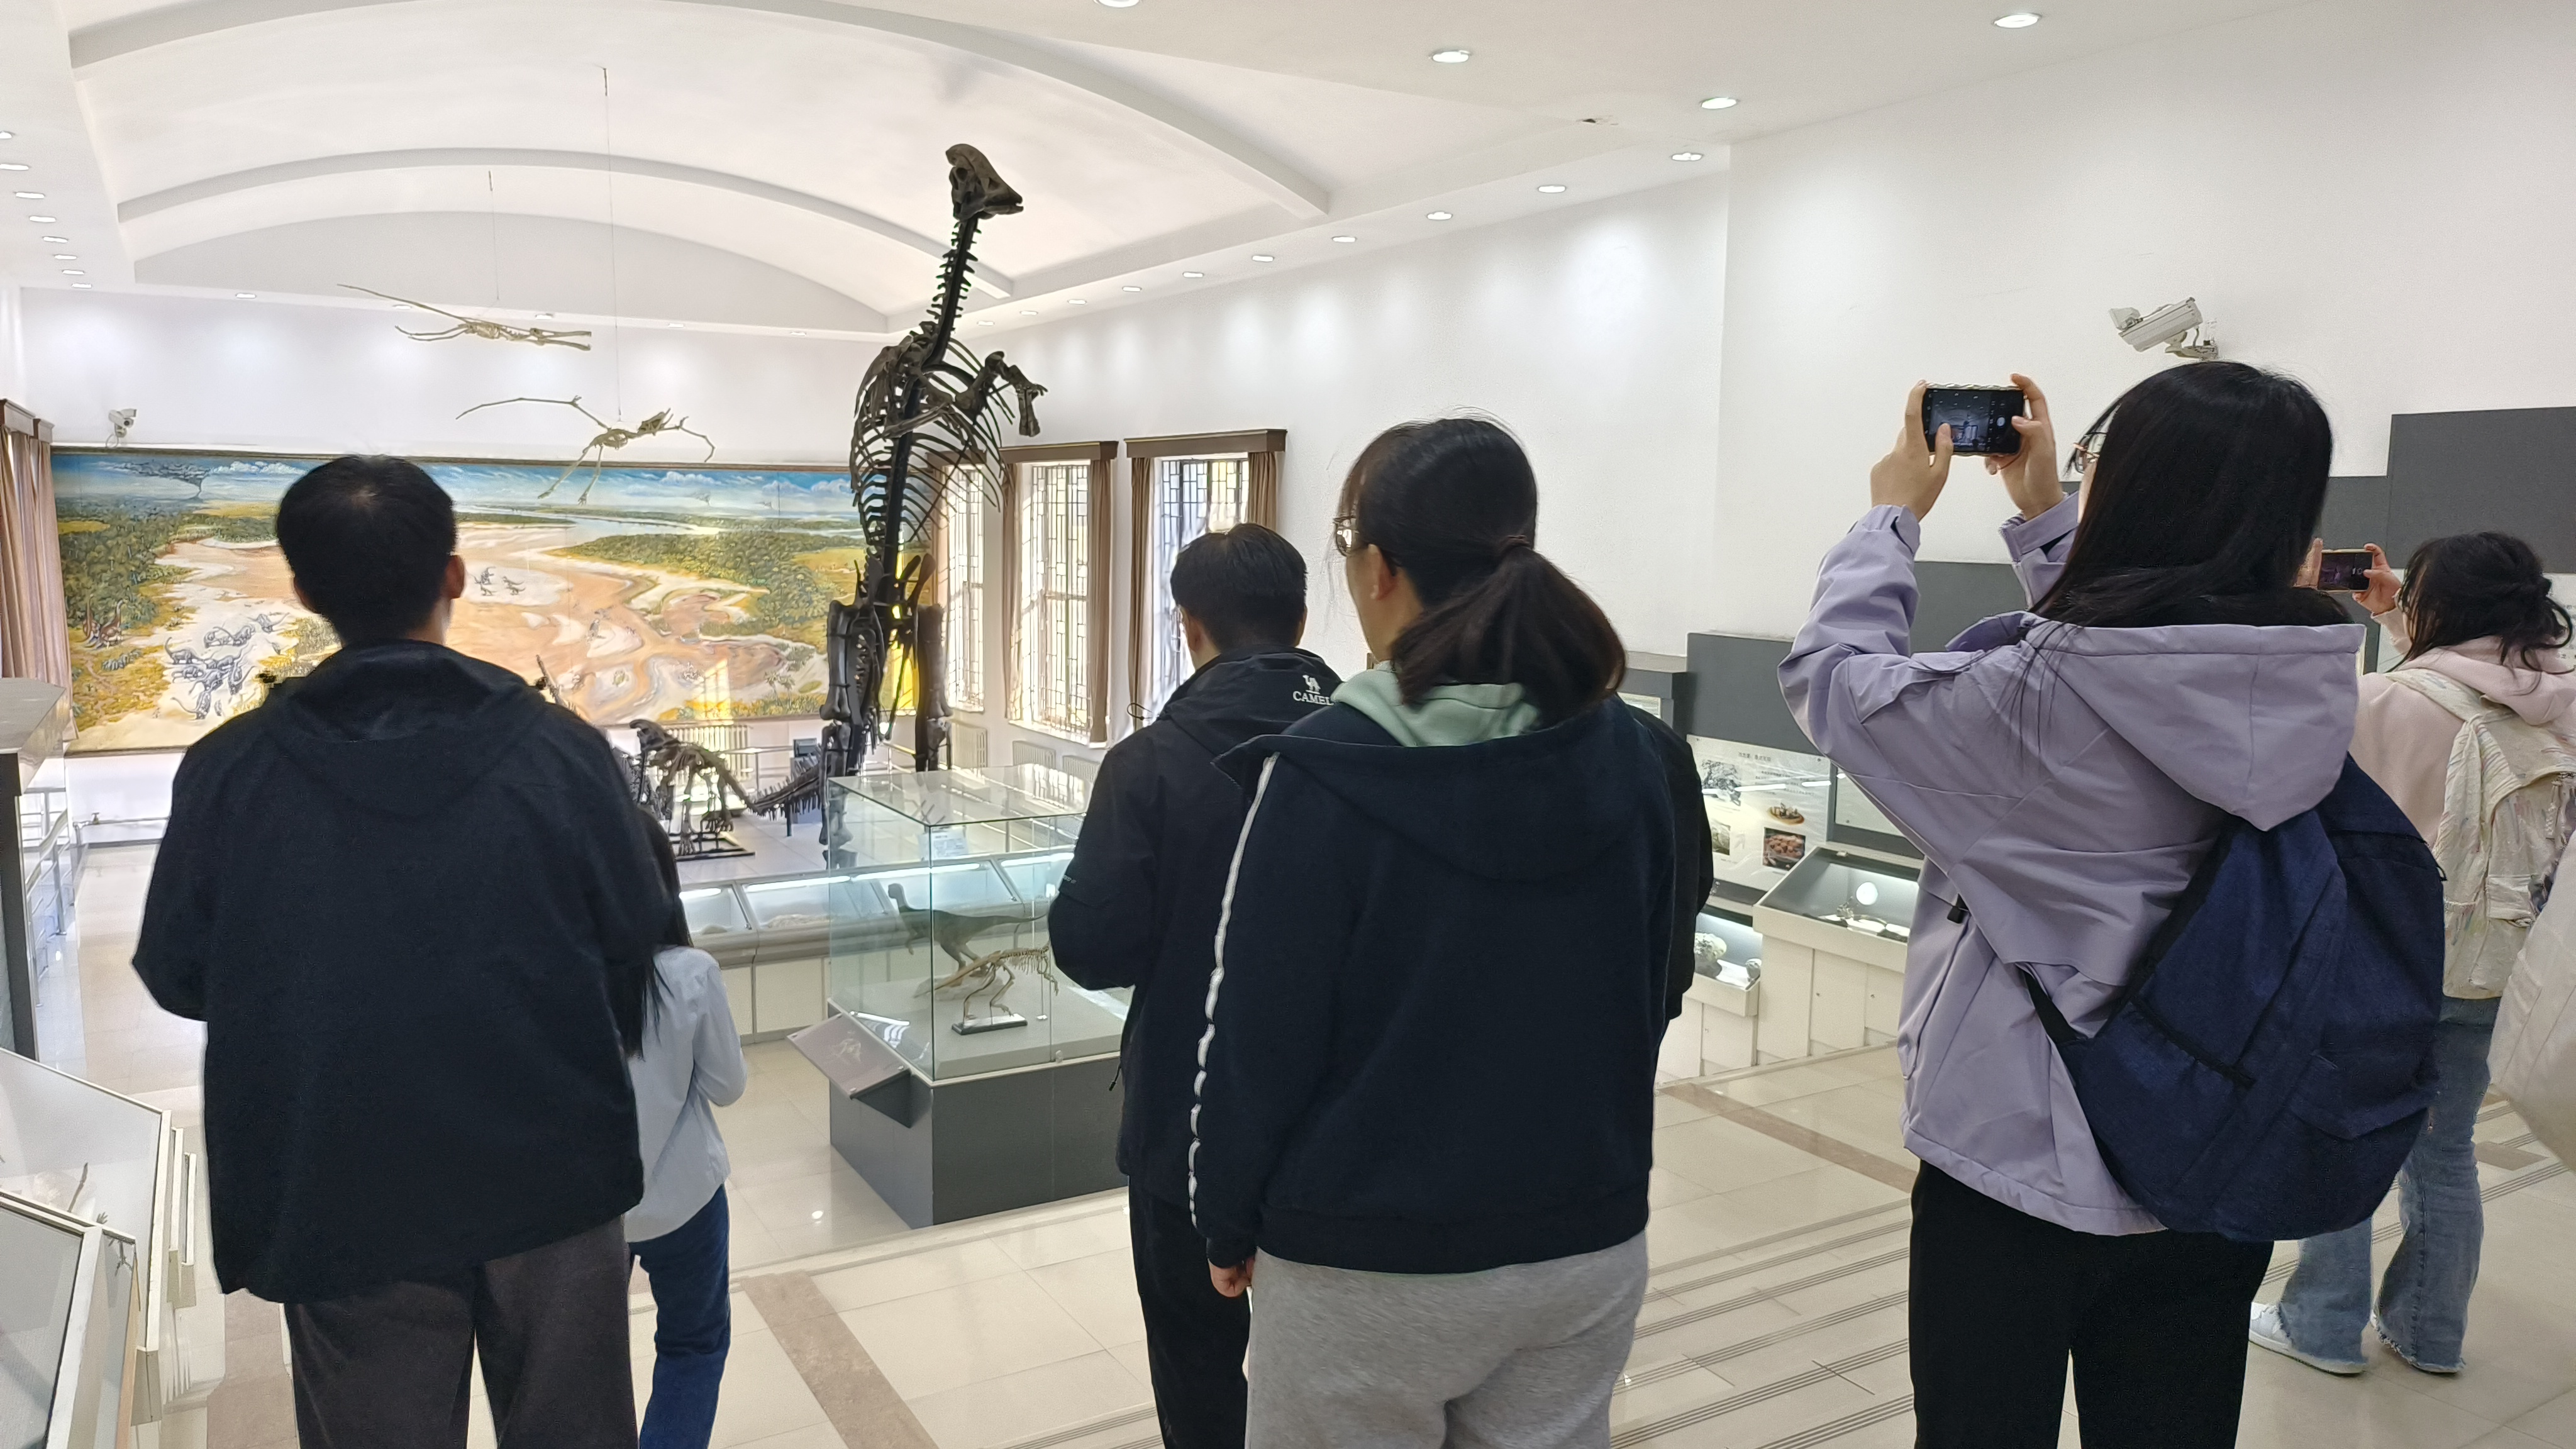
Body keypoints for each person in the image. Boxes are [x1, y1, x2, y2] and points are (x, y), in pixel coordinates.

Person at [1780, 364, 2360, 1449]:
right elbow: (2148, 671)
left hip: (2020, 1163)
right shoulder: (2311, 684)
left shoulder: (2024, 702)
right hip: (2218, 1141)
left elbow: (1834, 681)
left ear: (2130, 495)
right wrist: (2047, 518)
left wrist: (1889, 516)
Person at [135, 455, 670, 1449]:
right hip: (551, 1171)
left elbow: (177, 974)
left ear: (304, 592)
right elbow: (634, 934)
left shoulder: (229, 772)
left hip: (339, 1187)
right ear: (453, 576)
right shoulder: (563, 755)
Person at [1188, 418, 1697, 1449]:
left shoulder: (1327, 767)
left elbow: (1259, 1034)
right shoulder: (1640, 753)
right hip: (1582, 1241)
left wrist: (1225, 1216)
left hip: (1363, 1259)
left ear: (1377, 568)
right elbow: (1660, 979)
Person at [2254, 531, 2576, 1377]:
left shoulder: (2377, 702)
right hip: (2494, 967)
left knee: (2344, 1136)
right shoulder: (2561, 702)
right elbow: (2473, 685)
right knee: (2445, 1149)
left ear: (2440, 605)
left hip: (2381, 965)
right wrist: (2401, 616)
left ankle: (2322, 1324)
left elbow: (2305, 770)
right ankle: (2429, 1333)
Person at [1050, 523, 1341, 1449]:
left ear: (1189, 625)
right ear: (1301, 621)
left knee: (1195, 1354)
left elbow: (1091, 946)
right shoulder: (1376, 751)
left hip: (1188, 1106)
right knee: (1339, 1371)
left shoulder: (1150, 764)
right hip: (1347, 1117)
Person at [628, 825, 750, 1448]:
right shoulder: (689, 972)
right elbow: (727, 1086)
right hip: (686, 1200)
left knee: (581, 1361)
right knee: (693, 1345)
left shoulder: (554, 973)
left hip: (586, 1213)